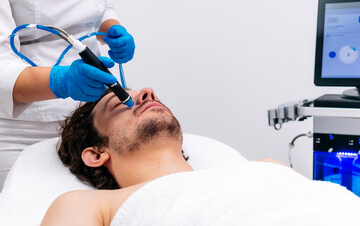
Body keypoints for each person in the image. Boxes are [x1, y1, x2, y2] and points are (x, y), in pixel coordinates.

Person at [41, 87, 360, 225]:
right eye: (119, 99)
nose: (147, 93)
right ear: (96, 154)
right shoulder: (88, 206)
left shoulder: (267, 167)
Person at [0, 0, 135, 190]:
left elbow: (103, 4)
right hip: (24, 126)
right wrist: (60, 81)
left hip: (91, 112)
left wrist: (111, 28)